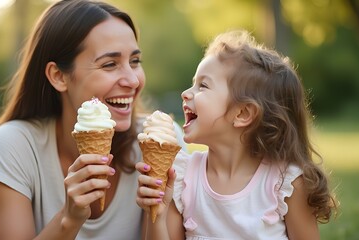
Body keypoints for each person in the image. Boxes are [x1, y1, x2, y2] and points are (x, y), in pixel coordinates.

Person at [0, 1, 185, 239]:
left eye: (134, 62)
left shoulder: (163, 139)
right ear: (58, 76)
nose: (133, 81)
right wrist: (69, 219)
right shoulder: (15, 146)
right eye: (110, 64)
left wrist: (154, 217)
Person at [136, 30, 338, 239]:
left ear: (242, 113)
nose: (186, 93)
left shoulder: (285, 184)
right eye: (193, 83)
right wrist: (157, 216)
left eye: (203, 86)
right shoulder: (182, 178)